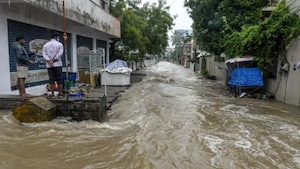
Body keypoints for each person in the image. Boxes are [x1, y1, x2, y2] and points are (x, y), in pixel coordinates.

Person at [42, 32, 64, 98]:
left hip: (49, 65)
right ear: (56, 37)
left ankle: (52, 94)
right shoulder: (59, 44)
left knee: (51, 80)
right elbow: (60, 54)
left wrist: (49, 61)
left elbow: (44, 54)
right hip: (57, 64)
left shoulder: (45, 45)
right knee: (59, 79)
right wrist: (53, 60)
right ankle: (60, 93)